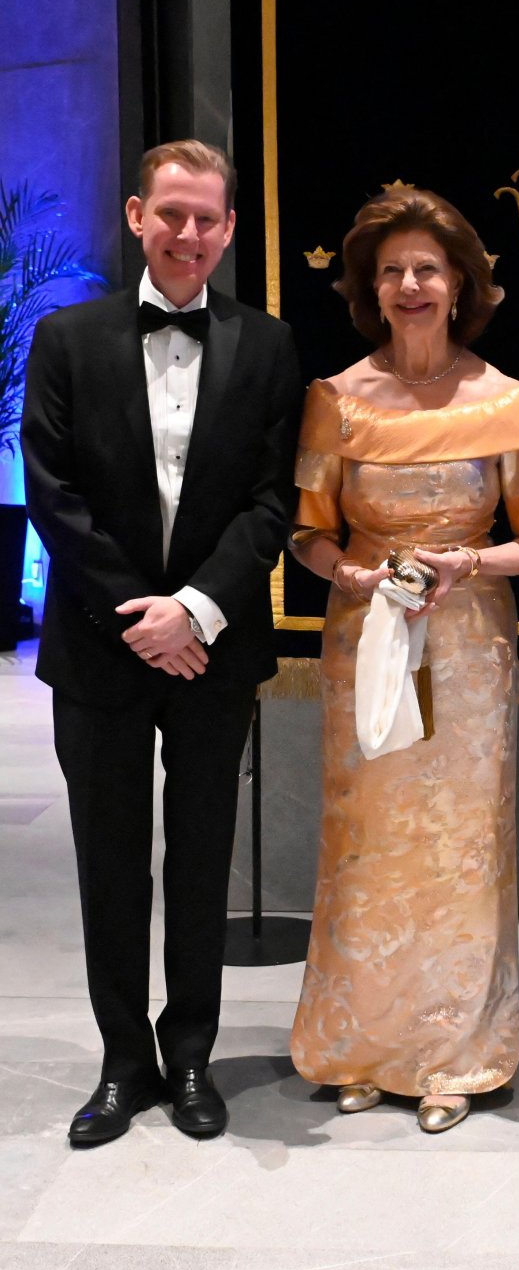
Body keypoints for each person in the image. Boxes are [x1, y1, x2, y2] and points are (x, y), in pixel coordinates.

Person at [22, 140, 303, 1145]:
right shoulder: (67, 337)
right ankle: (122, 1060)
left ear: (229, 229)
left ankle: (191, 1056)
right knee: (109, 859)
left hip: (213, 647)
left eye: (207, 219)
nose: (188, 234)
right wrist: (142, 616)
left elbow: (276, 500)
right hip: (103, 649)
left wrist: (200, 609)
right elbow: (52, 493)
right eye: (171, 214)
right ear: (138, 215)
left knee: (199, 857)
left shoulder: (268, 346)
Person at [288, 186, 519, 1134]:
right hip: (365, 634)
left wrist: (466, 561)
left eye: (427, 269)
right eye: (392, 269)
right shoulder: (336, 401)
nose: (409, 284)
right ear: (372, 285)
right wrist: (354, 576)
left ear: (459, 284)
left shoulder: (508, 401)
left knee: (461, 846)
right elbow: (307, 532)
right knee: (368, 841)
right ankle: (362, 1043)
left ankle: (453, 1053)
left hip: (471, 639)